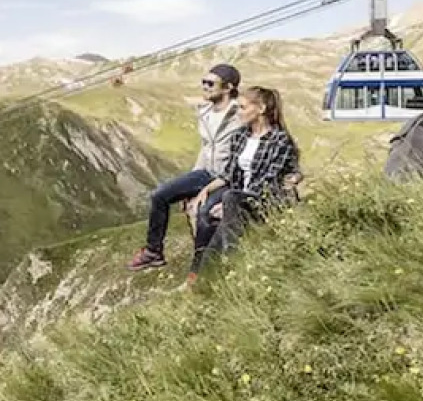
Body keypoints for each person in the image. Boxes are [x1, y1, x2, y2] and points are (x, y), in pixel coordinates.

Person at [128, 62, 246, 270]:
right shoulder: (205, 112)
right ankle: (153, 251)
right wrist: (191, 183)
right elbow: (205, 147)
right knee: (159, 195)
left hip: (226, 177)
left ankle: (204, 265)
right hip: (205, 172)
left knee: (201, 213)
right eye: (203, 82)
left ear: (228, 88)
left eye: (210, 83)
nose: (205, 87)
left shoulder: (240, 115)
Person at [184, 85, 301, 286]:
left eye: (243, 108)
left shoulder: (279, 140)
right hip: (241, 197)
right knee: (209, 220)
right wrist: (206, 190)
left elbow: (269, 180)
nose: (238, 112)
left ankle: (231, 263)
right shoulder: (240, 136)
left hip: (266, 199)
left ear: (261, 109)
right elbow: (229, 173)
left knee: (229, 198)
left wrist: (233, 203)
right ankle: (198, 281)